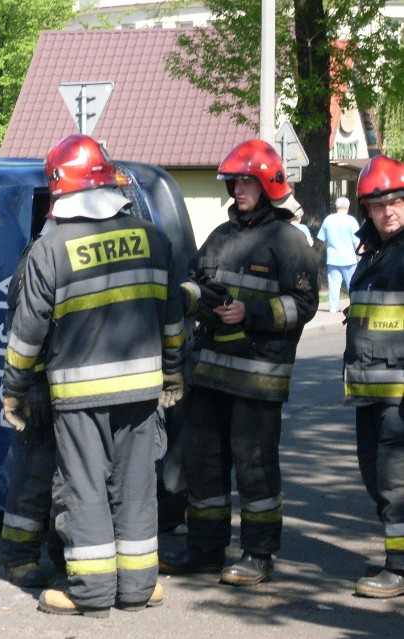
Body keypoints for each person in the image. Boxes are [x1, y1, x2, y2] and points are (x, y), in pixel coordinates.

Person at [3, 134, 186, 616]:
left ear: (61, 189)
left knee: (83, 489)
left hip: (80, 397)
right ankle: (138, 587)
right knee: (136, 487)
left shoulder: (51, 250)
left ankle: (91, 592)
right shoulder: (153, 238)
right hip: (143, 390)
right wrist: (172, 374)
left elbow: (25, 337)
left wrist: (14, 391)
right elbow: (172, 320)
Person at [159, 139, 319, 586]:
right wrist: (182, 300)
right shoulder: (221, 236)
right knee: (203, 462)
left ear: (267, 184)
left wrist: (253, 314)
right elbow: (197, 281)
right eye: (235, 180)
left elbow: (304, 303)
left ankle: (258, 552)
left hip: (258, 378)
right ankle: (206, 547)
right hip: (209, 373)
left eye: (248, 180)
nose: (240, 188)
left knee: (255, 466)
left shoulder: (288, 241)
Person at [344, 155, 404, 599]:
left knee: (394, 482)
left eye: (397, 201)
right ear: (366, 208)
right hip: (371, 389)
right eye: (379, 204)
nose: (389, 211)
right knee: (375, 477)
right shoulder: (375, 251)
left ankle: (399, 567)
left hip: (399, 393)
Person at [0, 219, 65, 588]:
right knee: (34, 475)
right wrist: (33, 385)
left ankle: (61, 550)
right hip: (43, 388)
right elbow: (25, 328)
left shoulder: (69, 245)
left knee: (70, 477)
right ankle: (19, 556)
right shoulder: (38, 256)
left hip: (72, 387)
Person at [317, 196, 360, 312]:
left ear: (336, 207)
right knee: (352, 283)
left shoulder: (328, 220)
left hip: (333, 257)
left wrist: (330, 249)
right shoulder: (351, 220)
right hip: (349, 259)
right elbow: (356, 242)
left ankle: (333, 306)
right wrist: (360, 256)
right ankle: (354, 304)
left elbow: (324, 240)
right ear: (348, 207)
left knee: (333, 283)